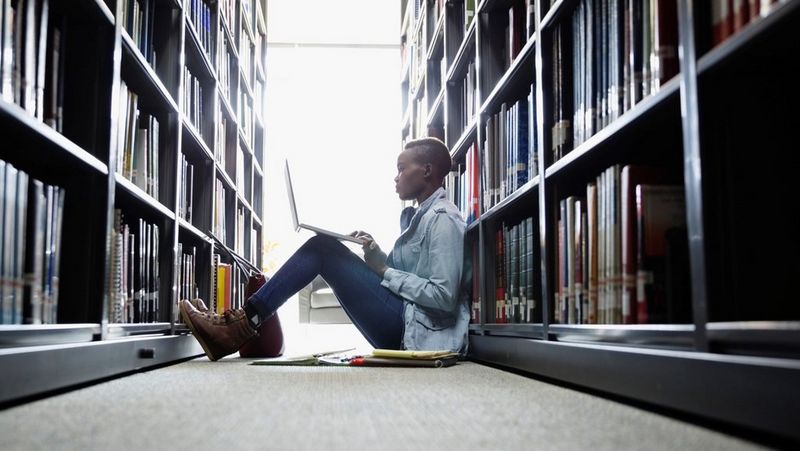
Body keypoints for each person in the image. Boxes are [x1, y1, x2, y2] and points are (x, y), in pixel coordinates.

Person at [180, 137, 471, 361]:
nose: (396, 177)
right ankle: (241, 323)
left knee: (323, 249)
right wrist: (376, 257)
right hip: (406, 320)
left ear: (427, 171)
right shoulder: (418, 217)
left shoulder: (443, 219)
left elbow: (443, 297)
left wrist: (384, 270)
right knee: (324, 247)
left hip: (418, 334)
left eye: (402, 169)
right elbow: (406, 276)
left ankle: (239, 327)